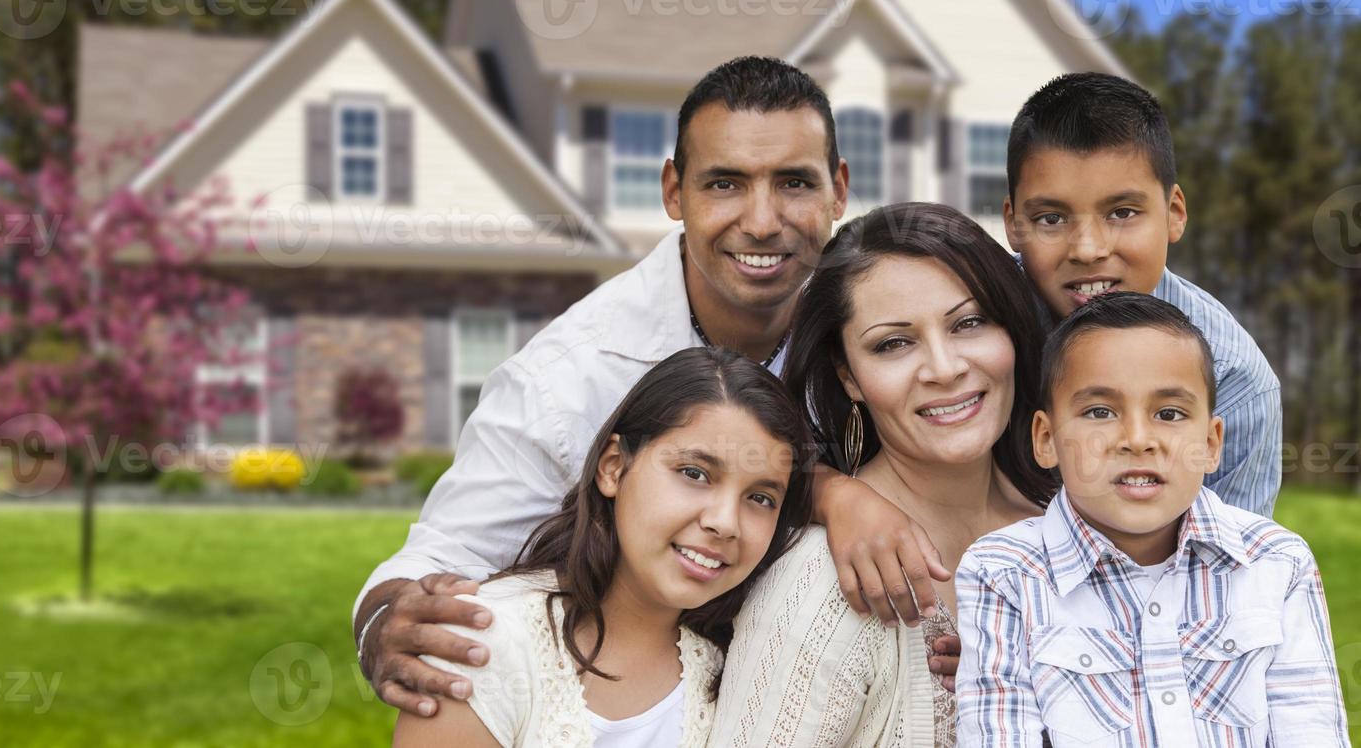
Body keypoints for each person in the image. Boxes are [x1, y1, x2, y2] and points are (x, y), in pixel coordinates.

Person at [356, 56, 958, 720]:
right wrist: (388, 621)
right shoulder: (566, 377)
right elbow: (445, 555)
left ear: (838, 191)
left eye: (794, 183)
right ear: (674, 191)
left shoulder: (873, 320)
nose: (761, 221)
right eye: (725, 183)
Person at [708, 203, 1057, 747]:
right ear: (849, 376)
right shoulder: (822, 583)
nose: (944, 368)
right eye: (894, 343)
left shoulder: (1076, 531)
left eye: (969, 323)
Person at [955, 291, 1348, 747]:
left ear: (1210, 442)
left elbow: (1311, 731)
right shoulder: (1003, 573)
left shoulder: (1276, 563)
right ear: (1045, 438)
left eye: (1169, 413)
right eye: (1100, 412)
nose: (1138, 440)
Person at [390, 346, 816, 747]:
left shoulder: (742, 664)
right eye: (694, 473)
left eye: (761, 498)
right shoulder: (485, 644)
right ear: (614, 467)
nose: (725, 523)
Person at [1002, 72, 1281, 515]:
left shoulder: (1236, 381)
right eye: (1051, 219)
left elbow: (1232, 567)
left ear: (1173, 213)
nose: (1089, 250)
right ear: (1014, 224)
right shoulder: (973, 323)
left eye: (1122, 212)